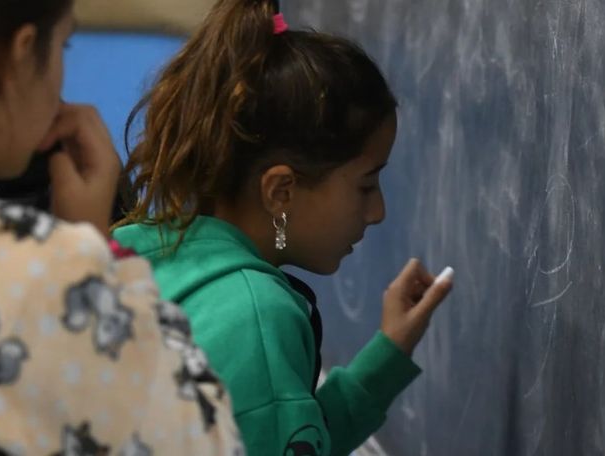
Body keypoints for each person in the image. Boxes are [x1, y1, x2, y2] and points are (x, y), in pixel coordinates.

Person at [112, 0, 455, 454]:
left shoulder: (139, 248)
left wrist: (387, 356)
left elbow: (278, 425)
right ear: (281, 192)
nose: (378, 212)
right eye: (366, 186)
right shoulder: (259, 319)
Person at [0, 1, 243, 454]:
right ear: (17, 58)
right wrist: (97, 257)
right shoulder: (55, 277)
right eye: (64, 44)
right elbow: (209, 441)